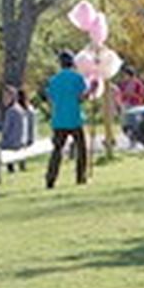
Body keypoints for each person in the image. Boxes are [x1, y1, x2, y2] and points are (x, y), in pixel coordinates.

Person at [45, 51, 89, 188]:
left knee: (57, 150)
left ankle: (50, 178)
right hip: (74, 118)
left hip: (59, 119)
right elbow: (81, 98)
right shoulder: (77, 78)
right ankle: (80, 177)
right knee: (81, 149)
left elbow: (50, 99)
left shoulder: (53, 80)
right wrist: (90, 92)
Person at [0, 85, 33, 172]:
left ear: (12, 97)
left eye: (6, 97)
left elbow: (6, 131)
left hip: (14, 143)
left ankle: (10, 169)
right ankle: (20, 166)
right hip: (22, 141)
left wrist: (2, 140)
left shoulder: (11, 111)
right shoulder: (21, 109)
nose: (4, 99)